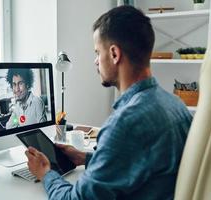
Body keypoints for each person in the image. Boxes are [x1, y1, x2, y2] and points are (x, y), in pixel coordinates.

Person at [25, 5, 192, 200]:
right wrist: (85, 158)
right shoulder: (175, 104)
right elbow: (143, 161)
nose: (96, 61)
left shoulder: (125, 123)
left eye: (97, 52)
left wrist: (45, 173)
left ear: (114, 54)